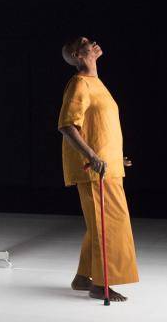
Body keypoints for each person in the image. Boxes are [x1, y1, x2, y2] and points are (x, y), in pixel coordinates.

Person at [58, 37, 139, 301]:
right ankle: (101, 285)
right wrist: (92, 156)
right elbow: (67, 125)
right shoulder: (79, 83)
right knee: (108, 225)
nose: (92, 42)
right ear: (77, 55)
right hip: (93, 169)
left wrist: (114, 157)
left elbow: (99, 126)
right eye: (84, 42)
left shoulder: (96, 83)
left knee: (99, 225)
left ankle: (83, 277)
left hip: (107, 166)